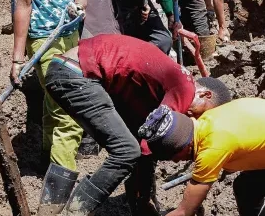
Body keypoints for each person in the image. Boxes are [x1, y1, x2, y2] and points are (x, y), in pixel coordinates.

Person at [40, 34, 232, 215]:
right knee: (127, 151)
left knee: (133, 146)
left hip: (72, 69)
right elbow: (155, 138)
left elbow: (145, 134)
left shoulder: (174, 80)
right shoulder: (185, 88)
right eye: (202, 113)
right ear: (205, 94)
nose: (192, 117)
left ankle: (49, 208)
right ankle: (75, 212)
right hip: (78, 74)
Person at [139, 97, 265, 216]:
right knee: (245, 187)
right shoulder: (207, 119)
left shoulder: (212, 148)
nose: (177, 162)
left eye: (176, 157)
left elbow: (184, 212)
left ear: (183, 147)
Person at [11, 0, 86, 175]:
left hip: (71, 36)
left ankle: (46, 159)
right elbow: (23, 3)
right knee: (69, 110)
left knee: (54, 103)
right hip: (44, 39)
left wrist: (79, 5)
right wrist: (18, 58)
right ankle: (61, 182)